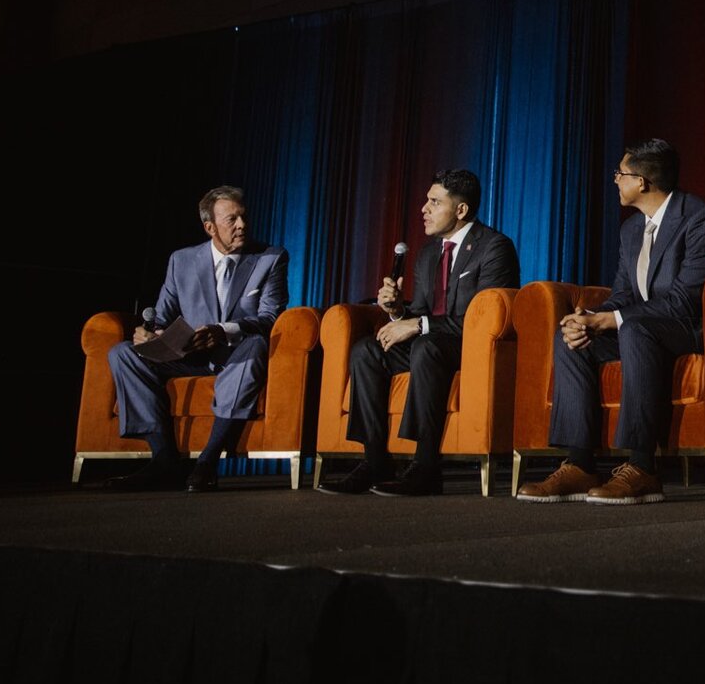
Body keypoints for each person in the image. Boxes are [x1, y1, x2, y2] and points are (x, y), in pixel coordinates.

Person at [517, 139, 705, 506]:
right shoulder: (631, 230)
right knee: (572, 335)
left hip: (686, 329)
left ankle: (643, 466)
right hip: (641, 327)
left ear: (643, 182)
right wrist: (588, 317)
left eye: (620, 173)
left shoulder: (701, 221)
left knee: (633, 327)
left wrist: (613, 318)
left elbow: (683, 301)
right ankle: (580, 463)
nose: (615, 180)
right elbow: (622, 295)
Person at [320, 169, 519, 497]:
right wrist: (398, 310)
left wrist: (417, 325)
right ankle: (375, 460)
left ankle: (426, 466)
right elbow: (423, 313)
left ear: (461, 210)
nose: (423, 209)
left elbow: (486, 317)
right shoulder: (428, 253)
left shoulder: (494, 247)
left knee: (426, 346)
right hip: (430, 341)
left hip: (469, 346)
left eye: (434, 202)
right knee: (366, 350)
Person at [106, 186, 289, 492]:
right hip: (187, 356)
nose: (242, 225)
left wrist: (221, 330)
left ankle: (208, 460)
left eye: (243, 217)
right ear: (210, 227)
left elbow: (269, 319)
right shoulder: (182, 260)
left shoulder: (270, 258)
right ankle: (163, 458)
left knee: (256, 344)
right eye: (232, 220)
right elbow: (163, 316)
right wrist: (150, 334)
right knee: (122, 353)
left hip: (236, 355)